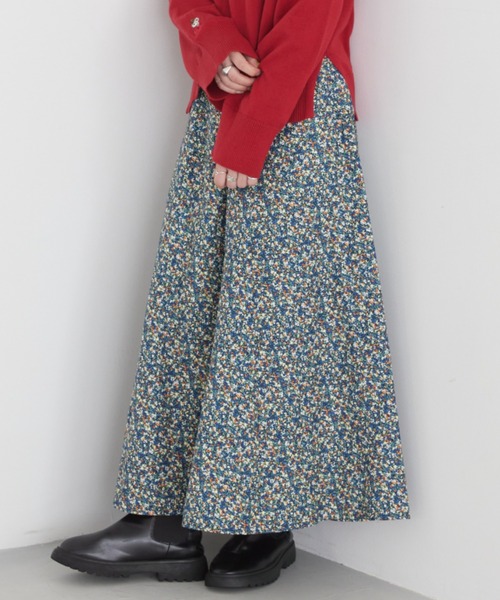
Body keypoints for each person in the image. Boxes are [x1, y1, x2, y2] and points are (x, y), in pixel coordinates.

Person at [50, 0, 411, 589]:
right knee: (188, 306)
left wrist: (250, 133)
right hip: (220, 103)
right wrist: (213, 46)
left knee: (274, 319)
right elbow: (188, 4)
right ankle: (162, 522)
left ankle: (267, 519)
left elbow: (309, 24)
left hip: (296, 109)